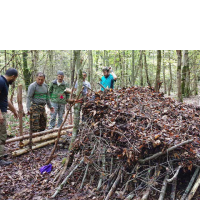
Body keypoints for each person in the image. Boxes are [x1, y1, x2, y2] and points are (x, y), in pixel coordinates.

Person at [0, 68, 18, 166]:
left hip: (3, 111)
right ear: (13, 77)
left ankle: (1, 153)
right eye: (15, 79)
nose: (14, 81)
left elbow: (5, 99)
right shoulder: (1, 81)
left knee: (2, 134)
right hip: (0, 112)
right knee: (1, 134)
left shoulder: (5, 83)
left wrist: (14, 111)